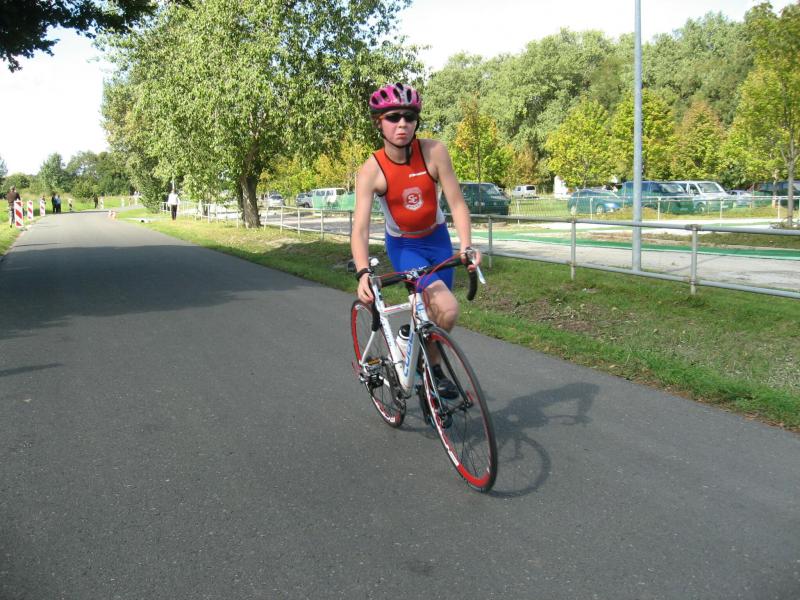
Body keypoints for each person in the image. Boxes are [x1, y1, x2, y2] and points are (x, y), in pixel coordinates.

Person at [350, 82, 481, 399]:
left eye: (409, 117)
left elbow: (457, 203)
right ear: (378, 122)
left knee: (437, 315)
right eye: (393, 117)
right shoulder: (371, 170)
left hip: (438, 240)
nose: (402, 124)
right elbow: (361, 229)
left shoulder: (434, 152)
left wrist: (467, 245)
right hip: (405, 247)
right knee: (447, 308)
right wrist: (363, 271)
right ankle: (430, 366)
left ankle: (421, 359)